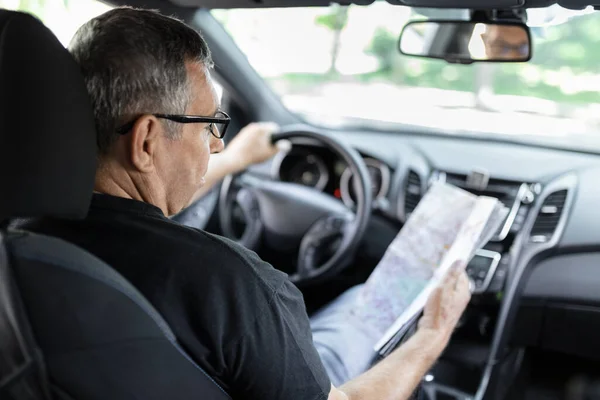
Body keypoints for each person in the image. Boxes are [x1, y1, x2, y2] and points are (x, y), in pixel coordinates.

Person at [23, 7, 471, 400]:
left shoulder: (20, 232)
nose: (218, 147)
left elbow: (141, 199)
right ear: (145, 141)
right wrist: (433, 333)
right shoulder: (231, 283)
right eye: (210, 126)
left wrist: (238, 160)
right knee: (363, 309)